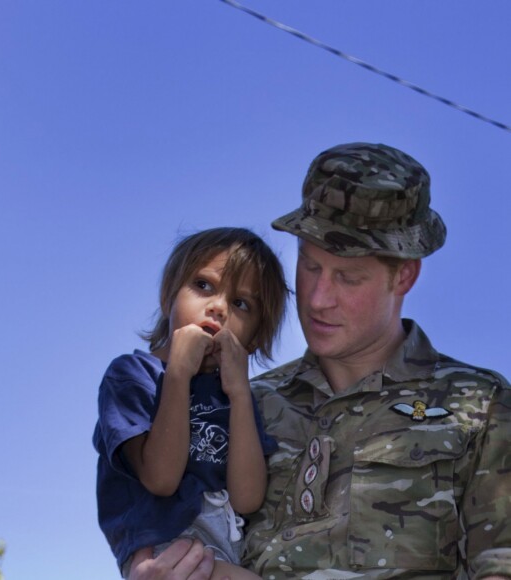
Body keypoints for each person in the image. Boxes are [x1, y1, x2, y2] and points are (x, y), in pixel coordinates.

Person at [128, 142, 511, 580]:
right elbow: (175, 531)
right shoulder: (241, 405)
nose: (318, 299)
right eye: (310, 266)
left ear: (404, 275)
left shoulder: (481, 407)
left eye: (348, 277)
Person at [93, 227, 289, 579]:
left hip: (222, 550)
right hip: (166, 551)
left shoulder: (237, 394)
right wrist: (179, 375)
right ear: (169, 294)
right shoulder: (132, 375)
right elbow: (161, 479)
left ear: (255, 339)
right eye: (203, 286)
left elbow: (246, 499)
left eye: (241, 304)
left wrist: (241, 395)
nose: (218, 307)